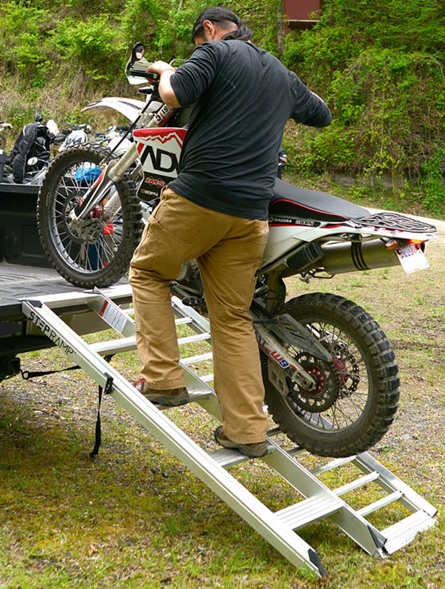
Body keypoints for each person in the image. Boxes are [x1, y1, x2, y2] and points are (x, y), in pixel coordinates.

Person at [128, 6, 332, 458]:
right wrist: (286, 87)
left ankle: (163, 379)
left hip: (200, 198)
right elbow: (322, 115)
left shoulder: (214, 53)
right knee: (233, 318)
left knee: (147, 273)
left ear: (209, 29)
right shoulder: (278, 70)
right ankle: (246, 430)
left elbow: (174, 94)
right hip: (249, 215)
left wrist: (164, 68)